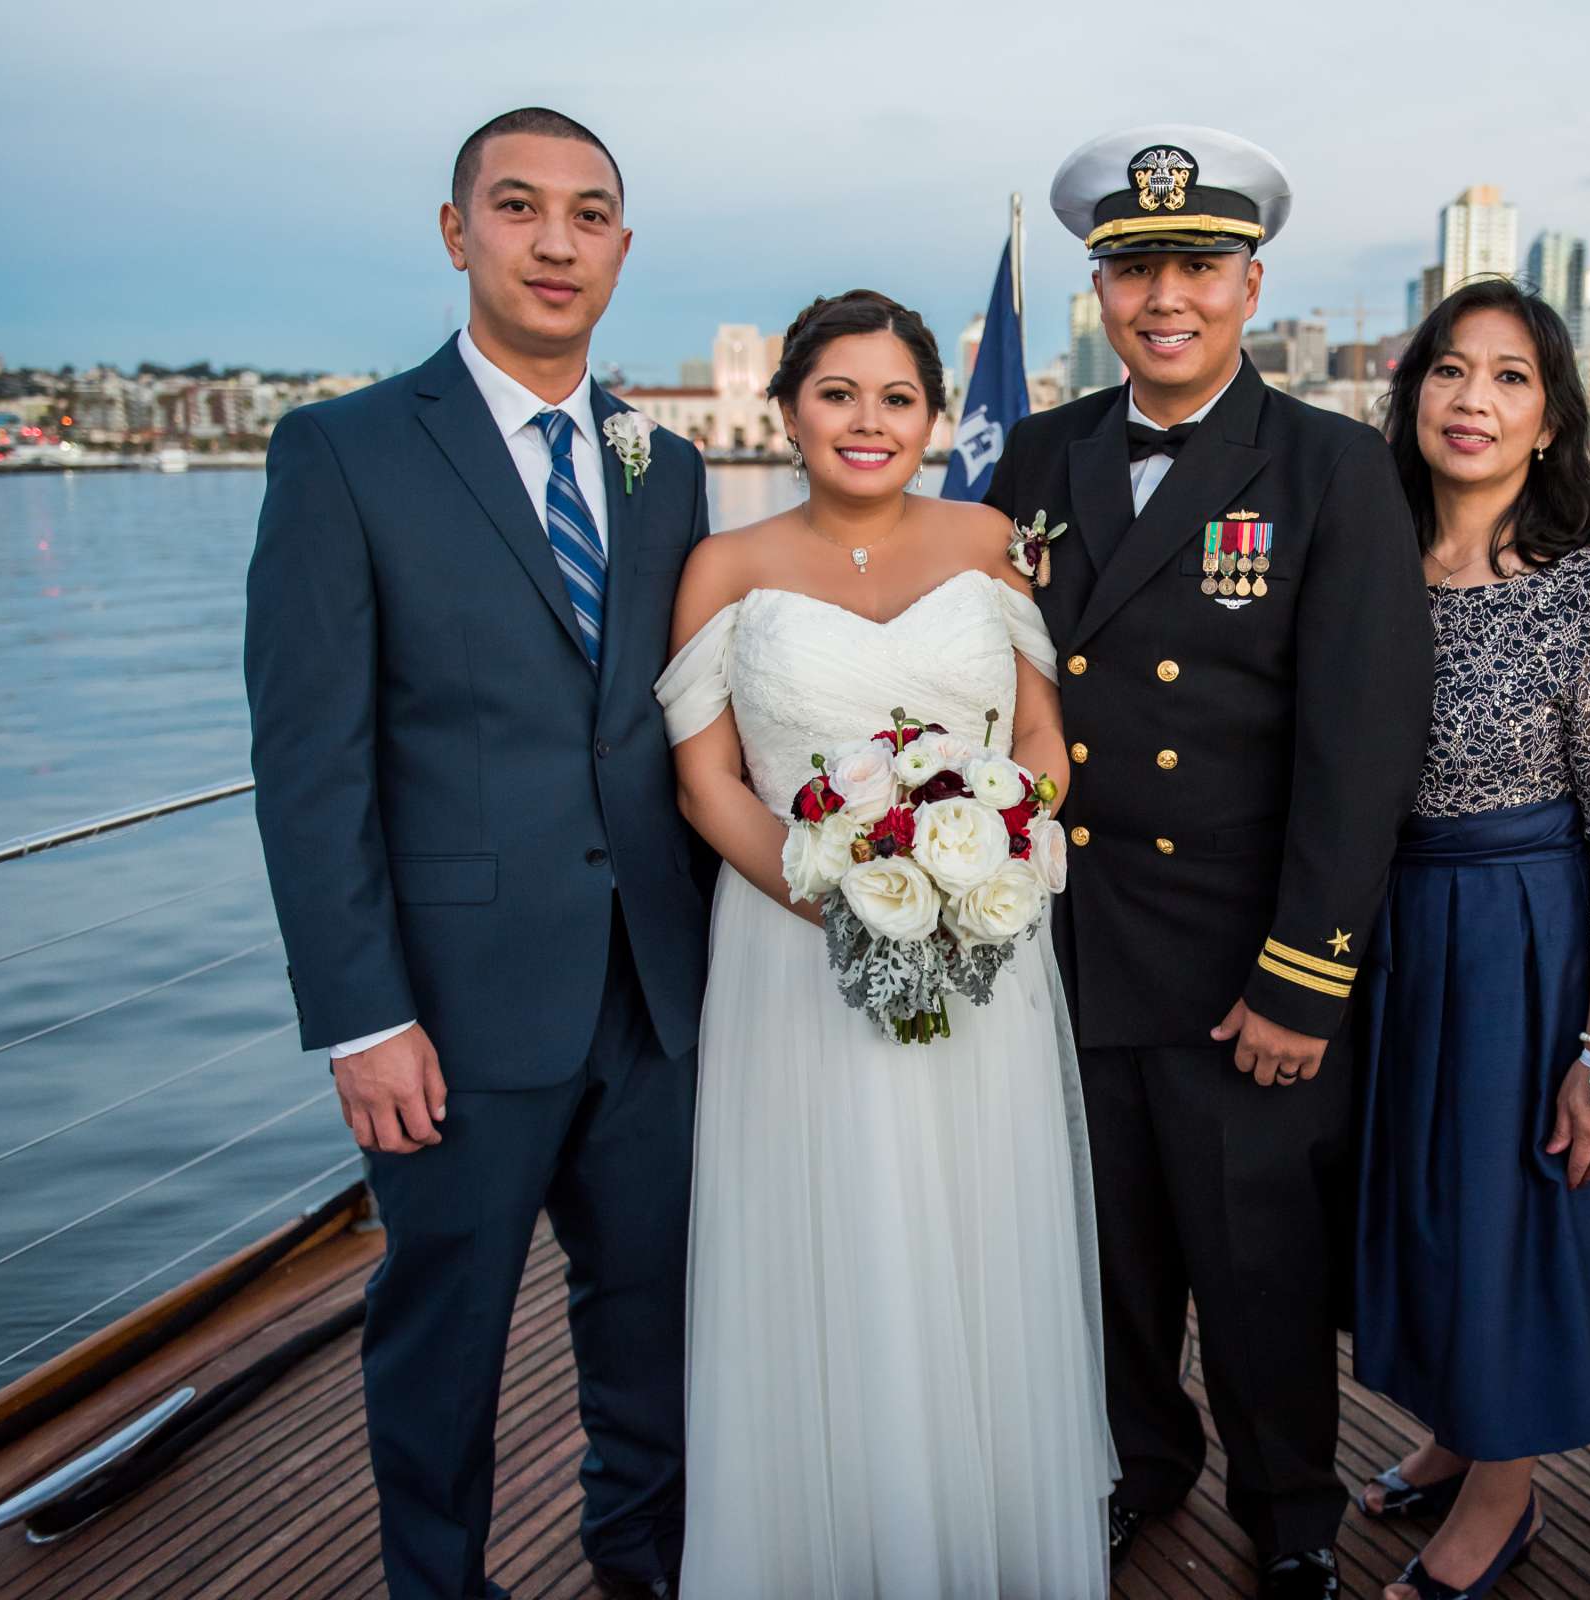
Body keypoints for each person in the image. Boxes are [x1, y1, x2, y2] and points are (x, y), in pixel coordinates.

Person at [245, 108, 712, 1600]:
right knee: (441, 1334)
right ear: (458, 232)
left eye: (588, 215)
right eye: (519, 208)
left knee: (655, 1326)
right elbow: (309, 764)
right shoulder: (344, 452)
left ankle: (645, 1566)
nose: (556, 241)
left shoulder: (669, 466)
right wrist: (363, 1015)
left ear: (623, 251)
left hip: (654, 995)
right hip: (452, 1008)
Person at [983, 126, 1434, 1600]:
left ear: (1250, 283)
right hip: (1073, 937)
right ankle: (1139, 1465)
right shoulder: (1038, 456)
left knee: (1258, 1270)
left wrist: (1305, 978)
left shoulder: (1329, 466)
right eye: (1129, 269)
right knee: (1107, 1261)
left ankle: (1290, 1501)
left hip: (1244, 957)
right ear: (1098, 292)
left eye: (1193, 265)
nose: (1160, 295)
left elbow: (1360, 746)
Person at [657, 289, 1114, 1599]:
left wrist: (975, 869)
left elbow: (1040, 740)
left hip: (981, 947)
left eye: (898, 398)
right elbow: (708, 782)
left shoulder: (989, 541)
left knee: (982, 1223)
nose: (869, 422)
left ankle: (982, 1536)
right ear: (788, 407)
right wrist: (842, 901)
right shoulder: (725, 567)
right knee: (824, 1226)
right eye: (840, 394)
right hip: (793, 956)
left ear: (935, 418)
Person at [1351, 278, 1590, 1600]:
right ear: (1412, 392)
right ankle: (1449, 1433)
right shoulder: (1364, 564)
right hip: (1389, 933)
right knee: (1425, 1209)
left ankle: (1504, 1496)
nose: (1471, 400)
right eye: (1449, 369)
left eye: (1508, 378)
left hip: (1525, 944)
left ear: (1550, 421)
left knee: (1510, 1217)